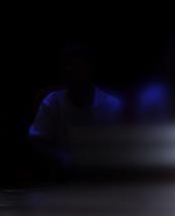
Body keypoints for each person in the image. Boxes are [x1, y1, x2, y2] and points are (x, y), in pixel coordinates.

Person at [28, 43, 123, 181]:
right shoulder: (52, 101)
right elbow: (37, 140)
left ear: (91, 68)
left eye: (77, 65)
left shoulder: (112, 106)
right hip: (62, 179)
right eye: (66, 65)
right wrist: (60, 158)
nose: (70, 70)